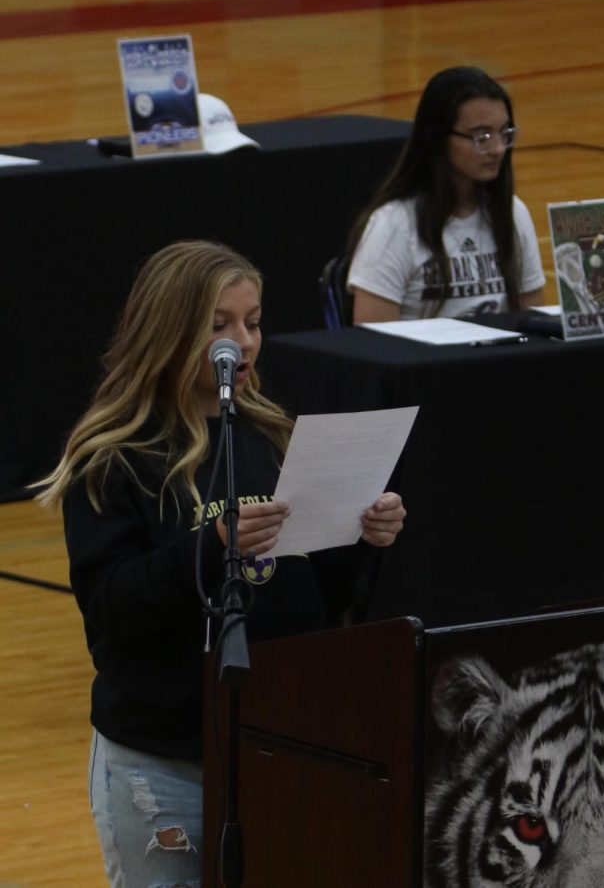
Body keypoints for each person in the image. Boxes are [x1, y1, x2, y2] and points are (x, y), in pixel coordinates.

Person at [34, 240, 406, 887]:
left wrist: (360, 539)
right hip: (161, 759)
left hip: (271, 746)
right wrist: (209, 551)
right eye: (219, 326)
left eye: (253, 322)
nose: (244, 341)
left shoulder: (268, 438)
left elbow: (315, 601)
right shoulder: (114, 456)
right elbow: (111, 613)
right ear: (170, 329)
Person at [347, 65, 545, 322]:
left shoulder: (512, 213)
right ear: (438, 138)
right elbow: (370, 345)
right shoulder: (393, 226)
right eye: (481, 136)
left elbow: (534, 323)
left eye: (504, 133)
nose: (497, 148)